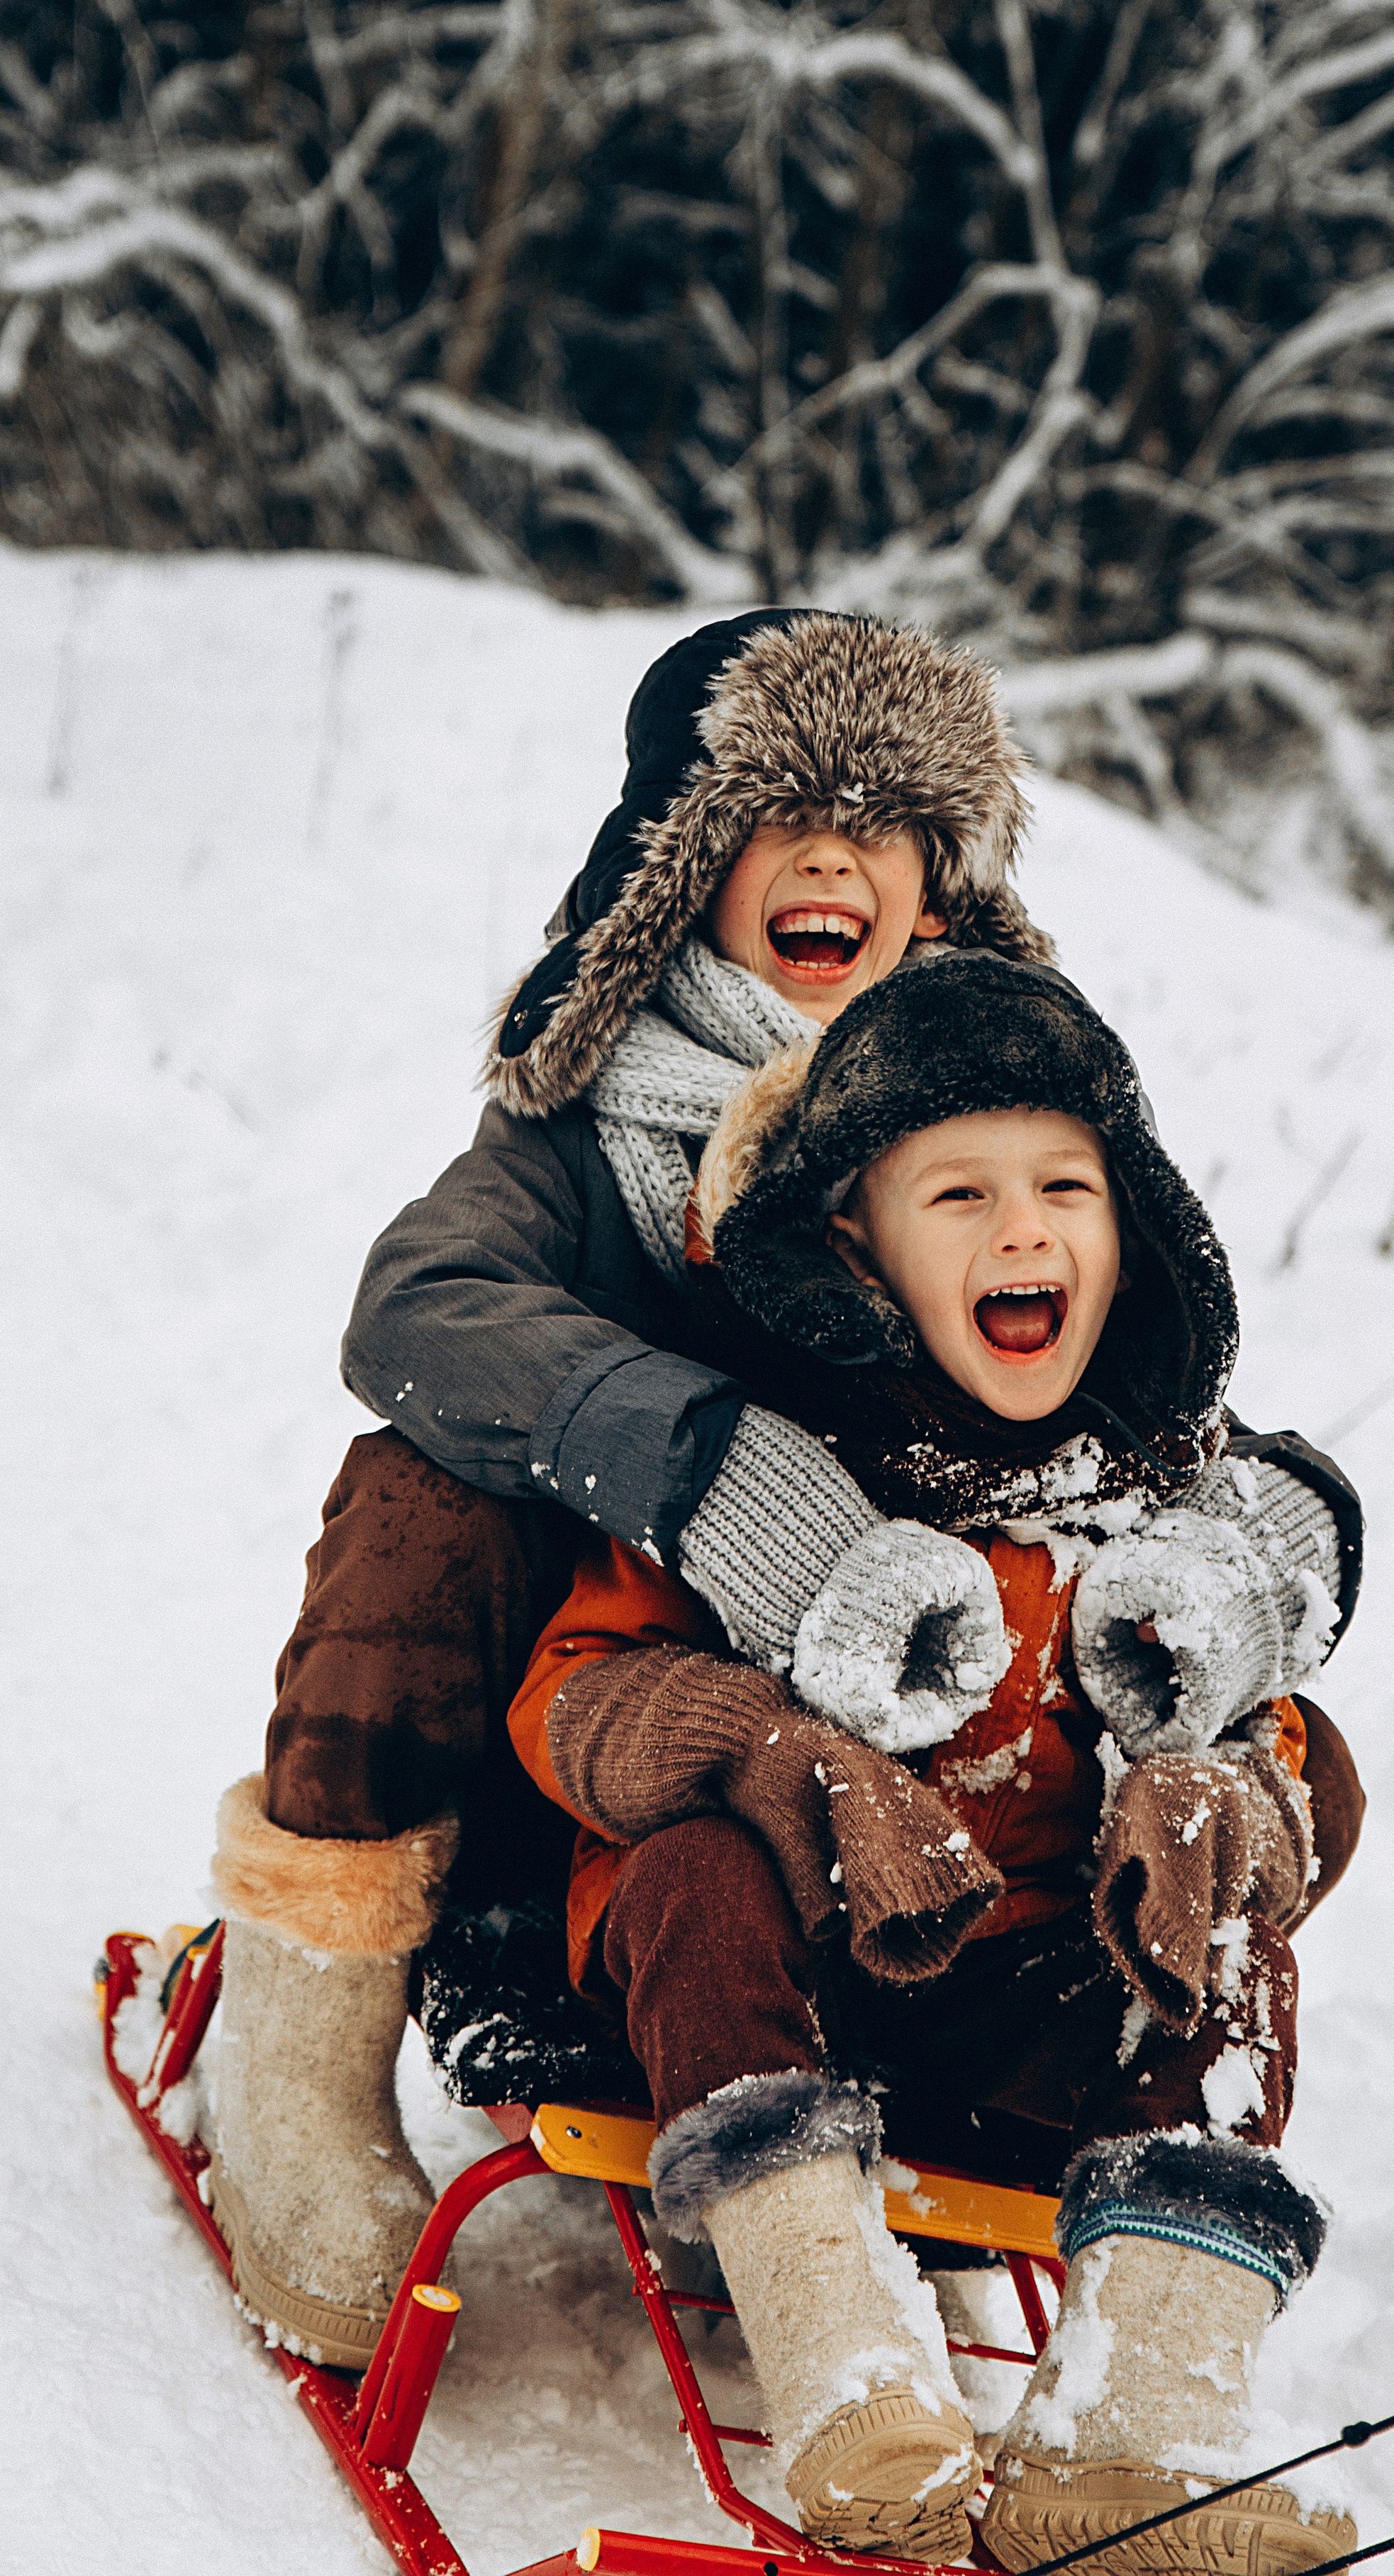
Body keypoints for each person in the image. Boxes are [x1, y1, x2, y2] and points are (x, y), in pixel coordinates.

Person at [202, 607, 1061, 2368]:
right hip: (574, 1714)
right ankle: (302, 2062)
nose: (831, 856)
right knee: (413, 1496)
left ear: (939, 882)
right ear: (682, 857)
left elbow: (1146, 1359)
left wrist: (1269, 1522)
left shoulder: (998, 1117)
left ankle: (941, 2044)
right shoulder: (586, 1119)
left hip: (864, 1763)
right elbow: (418, 1308)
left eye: (883, 820)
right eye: (775, 811)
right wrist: (702, 1458)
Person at [507, 952, 1366, 2575]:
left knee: (1224, 1931)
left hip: (1009, 2003)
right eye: (956, 1193)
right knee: (693, 1871)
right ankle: (844, 2374)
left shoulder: (1166, 1495)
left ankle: (1130, 2434)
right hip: (754, 1999)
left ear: (1134, 1230)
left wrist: (1228, 1789)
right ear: (855, 1238)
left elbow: (1291, 1742)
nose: (1023, 1231)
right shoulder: (772, 1464)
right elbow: (575, 1699)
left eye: (1066, 1187)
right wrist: (768, 1748)